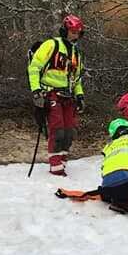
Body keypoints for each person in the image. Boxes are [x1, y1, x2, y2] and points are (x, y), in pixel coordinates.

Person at [27, 14, 85, 176]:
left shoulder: (76, 53)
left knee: (69, 133)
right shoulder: (51, 45)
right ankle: (55, 166)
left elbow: (77, 78)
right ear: (65, 30)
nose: (75, 35)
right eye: (73, 32)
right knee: (57, 131)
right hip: (50, 93)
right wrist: (36, 91)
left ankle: (62, 160)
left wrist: (80, 95)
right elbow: (34, 68)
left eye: (78, 33)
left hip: (69, 97)